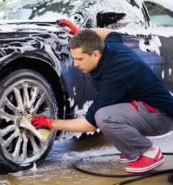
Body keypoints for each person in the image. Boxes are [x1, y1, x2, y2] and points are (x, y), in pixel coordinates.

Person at [31, 19, 173, 173]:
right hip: (146, 108)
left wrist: (50, 123)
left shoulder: (115, 76)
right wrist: (80, 31)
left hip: (163, 117)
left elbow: (89, 124)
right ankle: (135, 148)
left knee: (103, 117)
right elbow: (113, 33)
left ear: (96, 54)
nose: (75, 64)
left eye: (80, 59)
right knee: (105, 114)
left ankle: (150, 152)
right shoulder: (110, 47)